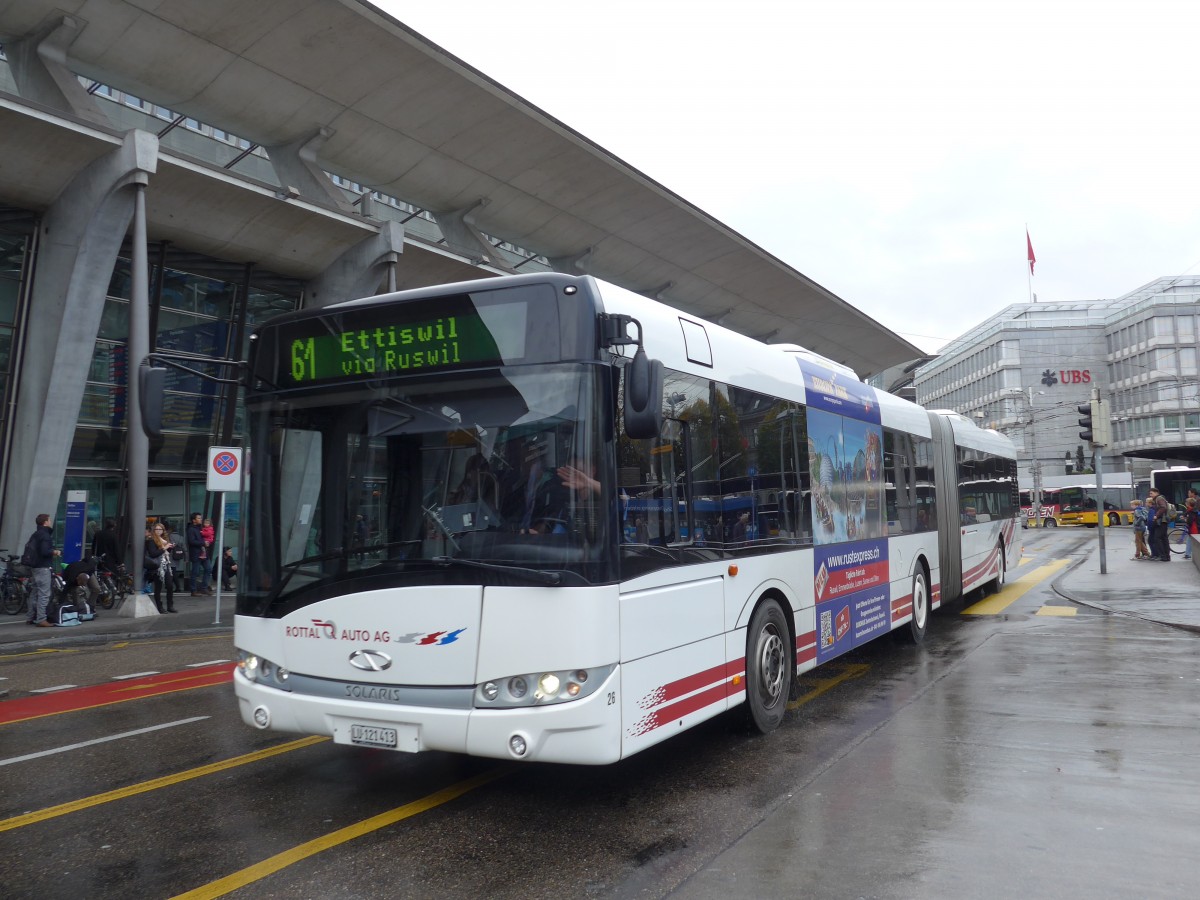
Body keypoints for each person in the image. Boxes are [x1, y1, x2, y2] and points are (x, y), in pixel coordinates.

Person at [25, 513, 59, 627]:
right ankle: (41, 619)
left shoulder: (35, 534)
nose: (50, 522)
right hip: (43, 567)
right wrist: (55, 552)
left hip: (34, 567)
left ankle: (30, 617)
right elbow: (45, 551)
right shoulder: (45, 535)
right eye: (49, 520)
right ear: (45, 522)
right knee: (44, 594)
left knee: (34, 592)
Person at [145, 522, 178, 613]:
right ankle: (160, 607)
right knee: (158, 587)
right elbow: (153, 554)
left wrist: (170, 547)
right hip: (157, 566)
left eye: (161, 529)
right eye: (157, 529)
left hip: (166, 563)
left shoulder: (164, 540)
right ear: (153, 530)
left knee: (170, 585)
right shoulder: (151, 540)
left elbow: (167, 551)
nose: (159, 531)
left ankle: (170, 605)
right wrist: (165, 547)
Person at [186, 512, 208, 595]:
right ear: (194, 520)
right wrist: (203, 543)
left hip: (203, 552)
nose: (201, 519)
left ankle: (204, 588)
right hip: (196, 553)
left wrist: (207, 541)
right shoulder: (191, 529)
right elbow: (191, 541)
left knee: (208, 568)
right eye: (199, 518)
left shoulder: (201, 528)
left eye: (201, 518)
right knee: (195, 572)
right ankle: (193, 590)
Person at [1148, 488, 1171, 561]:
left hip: (1161, 521)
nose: (1150, 495)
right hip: (1163, 521)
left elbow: (1163, 507)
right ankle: (1166, 556)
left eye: (1151, 493)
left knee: (1157, 538)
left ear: (1156, 492)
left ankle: (1163, 556)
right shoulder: (1159, 498)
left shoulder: (1159, 498)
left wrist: (1156, 515)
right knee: (1164, 538)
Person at [201, 517, 216, 585]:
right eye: (205, 523)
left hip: (208, 540)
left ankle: (205, 585)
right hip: (206, 541)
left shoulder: (209, 529)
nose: (206, 524)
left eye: (207, 523)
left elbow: (207, 534)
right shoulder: (205, 528)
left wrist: (201, 532)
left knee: (208, 568)